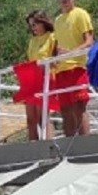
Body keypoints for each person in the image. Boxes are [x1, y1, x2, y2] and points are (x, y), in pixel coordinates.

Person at [53, 0, 95, 137]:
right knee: (65, 109)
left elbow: (89, 41)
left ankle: (85, 143)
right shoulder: (58, 20)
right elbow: (57, 45)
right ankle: (69, 146)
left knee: (79, 106)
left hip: (77, 67)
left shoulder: (80, 14)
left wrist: (70, 53)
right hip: (61, 69)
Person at [15, 10, 57, 141]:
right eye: (31, 25)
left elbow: (55, 59)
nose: (33, 28)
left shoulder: (52, 37)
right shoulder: (32, 41)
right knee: (30, 117)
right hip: (32, 79)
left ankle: (49, 144)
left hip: (45, 77)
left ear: (43, 23)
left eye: (35, 24)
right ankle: (32, 145)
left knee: (42, 115)